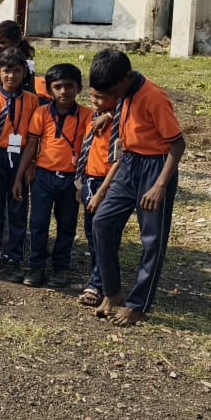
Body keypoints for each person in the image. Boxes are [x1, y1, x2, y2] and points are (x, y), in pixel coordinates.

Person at [89, 49, 185, 327]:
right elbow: (127, 113)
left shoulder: (154, 98)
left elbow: (178, 144)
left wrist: (159, 186)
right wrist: (109, 114)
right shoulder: (123, 93)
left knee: (152, 240)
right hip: (129, 163)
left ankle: (138, 305)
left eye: (112, 92)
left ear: (127, 78)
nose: (111, 97)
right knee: (102, 222)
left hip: (156, 166)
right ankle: (112, 291)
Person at [12, 64, 93, 288]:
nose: (64, 91)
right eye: (57, 87)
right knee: (38, 223)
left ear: (79, 88)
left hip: (71, 179)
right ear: (49, 90)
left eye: (69, 86)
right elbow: (31, 146)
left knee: (67, 225)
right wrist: (19, 176)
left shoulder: (87, 116)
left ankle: (60, 267)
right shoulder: (42, 113)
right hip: (43, 177)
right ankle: (36, 266)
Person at [0, 48, 40, 278]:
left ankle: (15, 257)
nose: (11, 76)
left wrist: (30, 164)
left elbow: (34, 138)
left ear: (24, 73)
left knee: (18, 207)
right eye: (6, 71)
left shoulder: (33, 101)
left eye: (16, 71)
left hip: (20, 156)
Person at [77, 85, 121, 308]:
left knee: (103, 233)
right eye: (93, 95)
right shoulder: (92, 117)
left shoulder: (119, 123)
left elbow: (119, 160)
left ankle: (97, 284)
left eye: (101, 97)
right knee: (91, 232)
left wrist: (102, 191)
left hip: (107, 182)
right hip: (90, 179)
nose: (95, 100)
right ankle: (99, 279)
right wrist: (81, 183)